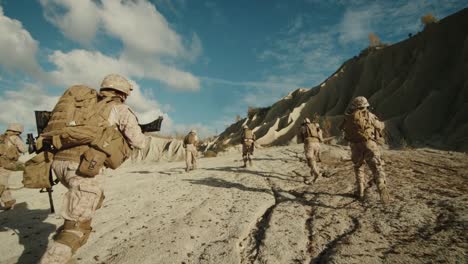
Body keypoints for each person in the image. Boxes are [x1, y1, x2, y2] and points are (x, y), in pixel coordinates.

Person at [40, 74, 146, 264]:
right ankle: (57, 255)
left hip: (59, 164)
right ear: (123, 93)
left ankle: (64, 246)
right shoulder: (119, 108)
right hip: (83, 167)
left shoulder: (82, 105)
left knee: (90, 203)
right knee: (77, 227)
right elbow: (138, 141)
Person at [339, 96, 389, 204]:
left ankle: (360, 191)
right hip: (369, 144)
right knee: (376, 167)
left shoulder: (348, 117)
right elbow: (380, 126)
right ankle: (380, 184)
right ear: (365, 105)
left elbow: (342, 129)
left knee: (358, 167)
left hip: (354, 146)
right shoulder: (369, 115)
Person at [0, 123, 27, 210]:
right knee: (2, 184)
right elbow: (23, 149)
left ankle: (8, 201)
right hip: (8, 163)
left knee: (3, 182)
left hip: (1, 162)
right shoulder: (15, 138)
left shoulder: (2, 137)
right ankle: (7, 201)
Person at [298, 118, 323, 184]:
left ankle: (316, 173)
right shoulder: (315, 126)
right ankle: (312, 172)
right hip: (317, 144)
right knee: (314, 159)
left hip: (309, 144)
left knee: (310, 159)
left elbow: (300, 139)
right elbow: (320, 133)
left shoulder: (303, 127)